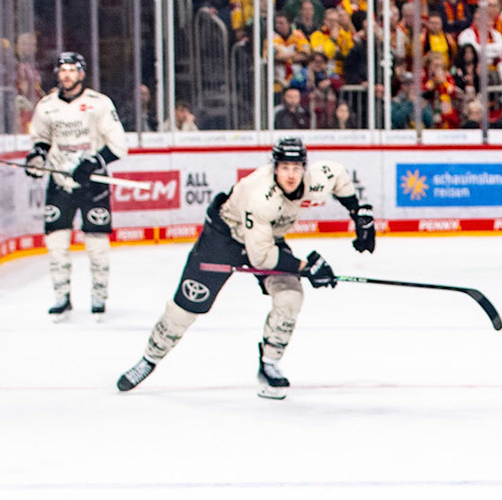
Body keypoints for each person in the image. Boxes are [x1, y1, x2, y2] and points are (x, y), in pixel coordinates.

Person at [116, 137, 375, 399]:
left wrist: (359, 213)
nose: (291, 175)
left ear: (305, 168)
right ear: (274, 167)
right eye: (284, 168)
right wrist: (307, 267)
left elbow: (339, 175)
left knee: (290, 296)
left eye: (296, 168)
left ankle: (269, 364)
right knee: (186, 306)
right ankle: (149, 358)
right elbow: (261, 257)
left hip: (266, 237)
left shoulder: (315, 179)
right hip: (223, 239)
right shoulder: (260, 195)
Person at [25, 52, 127, 320]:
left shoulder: (98, 103)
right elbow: (41, 140)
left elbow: (119, 145)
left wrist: (94, 162)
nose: (67, 74)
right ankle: (61, 297)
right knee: (56, 243)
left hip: (93, 184)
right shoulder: (46, 106)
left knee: (97, 245)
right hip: (60, 183)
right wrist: (37, 158)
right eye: (63, 70)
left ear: (81, 74)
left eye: (72, 69)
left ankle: (99, 296)